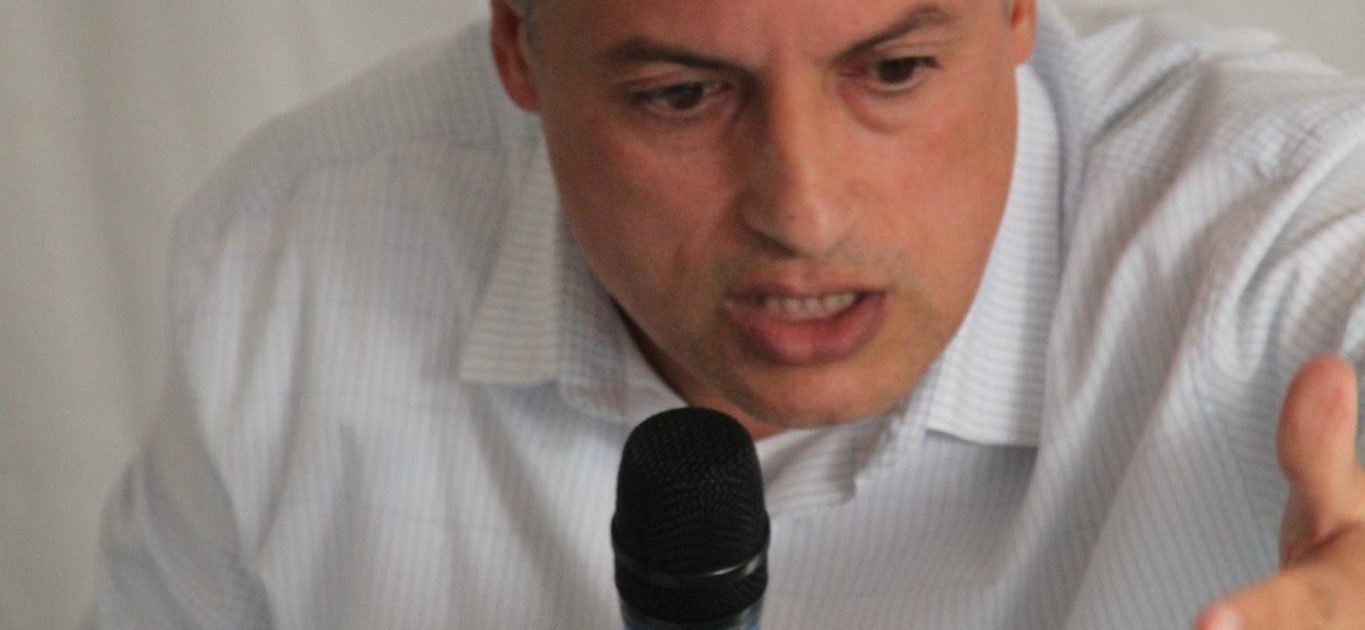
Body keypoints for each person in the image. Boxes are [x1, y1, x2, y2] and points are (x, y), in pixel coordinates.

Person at [85, 0, 1365, 627]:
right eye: (680, 96)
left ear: (1019, 6)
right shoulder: (289, 263)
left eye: (894, 71)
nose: (802, 212)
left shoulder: (1281, 221)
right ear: (518, 44)